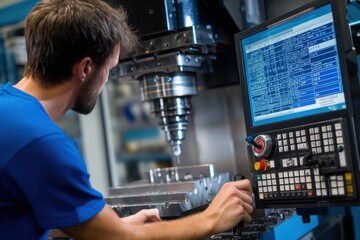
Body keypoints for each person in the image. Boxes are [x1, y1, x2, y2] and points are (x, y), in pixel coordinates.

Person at [0, 0, 253, 239]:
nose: (107, 80)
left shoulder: (7, 108)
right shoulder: (41, 142)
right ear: (85, 68)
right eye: (108, 69)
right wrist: (211, 219)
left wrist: (111, 225)